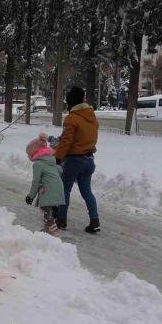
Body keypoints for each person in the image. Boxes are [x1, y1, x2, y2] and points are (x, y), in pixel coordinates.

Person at [54, 86, 100, 233]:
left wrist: (58, 157)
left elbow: (66, 141)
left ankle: (61, 221)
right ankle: (95, 220)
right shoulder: (92, 117)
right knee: (87, 192)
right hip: (89, 160)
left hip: (74, 161)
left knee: (64, 190)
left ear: (71, 102)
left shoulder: (72, 118)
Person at [25, 132, 64, 237]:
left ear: (34, 153)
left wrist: (30, 196)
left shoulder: (38, 164)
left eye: (29, 154)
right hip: (58, 188)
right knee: (48, 209)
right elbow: (59, 169)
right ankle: (48, 228)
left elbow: (35, 182)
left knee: (45, 210)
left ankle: (54, 230)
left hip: (48, 190)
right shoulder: (51, 161)